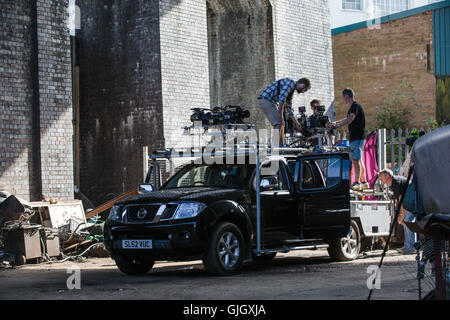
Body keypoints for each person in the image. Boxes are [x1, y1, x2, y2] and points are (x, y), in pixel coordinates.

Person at [328, 88, 368, 191]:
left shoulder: (354, 106)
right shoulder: (354, 107)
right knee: (358, 160)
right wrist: (336, 123)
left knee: (355, 160)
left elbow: (350, 118)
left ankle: (357, 182)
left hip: (357, 137)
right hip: (357, 137)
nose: (343, 99)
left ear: (346, 96)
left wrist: (339, 126)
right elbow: (348, 117)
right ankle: (364, 182)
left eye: (343, 97)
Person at [258, 78, 311, 145]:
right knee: (278, 122)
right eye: (305, 90)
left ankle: (281, 146)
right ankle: (275, 147)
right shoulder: (290, 83)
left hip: (270, 101)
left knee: (282, 123)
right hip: (265, 99)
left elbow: (289, 108)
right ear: (303, 85)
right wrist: (280, 115)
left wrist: (297, 123)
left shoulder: (291, 90)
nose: (303, 92)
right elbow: (281, 100)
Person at [379, 169, 417, 254]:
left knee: (408, 222)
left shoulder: (395, 181)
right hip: (409, 201)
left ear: (387, 175)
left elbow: (401, 198)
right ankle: (408, 246)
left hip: (411, 202)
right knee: (406, 223)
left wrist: (402, 214)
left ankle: (411, 247)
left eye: (381, 176)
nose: (380, 179)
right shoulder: (394, 182)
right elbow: (398, 198)